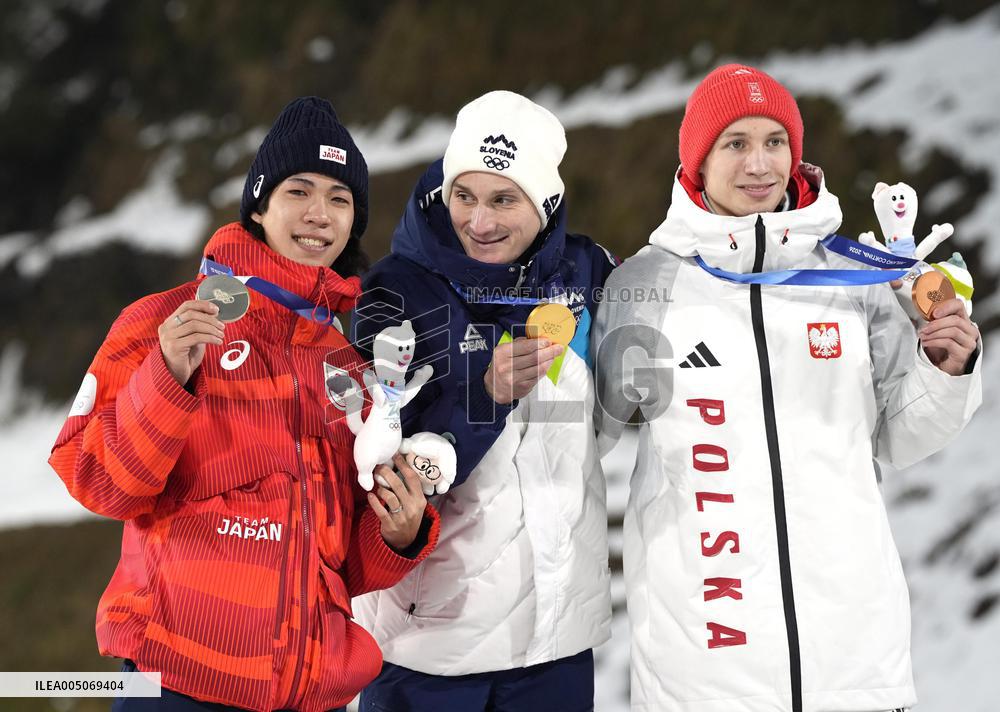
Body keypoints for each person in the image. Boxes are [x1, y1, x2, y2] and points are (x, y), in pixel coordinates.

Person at [593, 64, 982, 712]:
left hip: (853, 660)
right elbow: (578, 436)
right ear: (698, 161)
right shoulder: (647, 286)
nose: (759, 162)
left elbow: (900, 435)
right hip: (705, 669)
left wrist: (945, 372)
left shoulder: (849, 277)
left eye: (774, 141)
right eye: (735, 143)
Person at [49, 97, 440, 712]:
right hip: (175, 686)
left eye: (340, 200)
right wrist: (168, 375)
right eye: (299, 190)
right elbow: (100, 482)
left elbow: (345, 567)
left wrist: (398, 532)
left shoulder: (351, 369)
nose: (319, 214)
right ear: (259, 204)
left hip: (309, 693)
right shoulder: (162, 321)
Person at [350, 90, 618, 711]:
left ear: (545, 203)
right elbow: (381, 466)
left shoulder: (584, 274)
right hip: (429, 649)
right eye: (464, 196)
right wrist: (485, 394)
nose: (481, 221)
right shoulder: (394, 292)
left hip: (556, 642)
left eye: (504, 199)